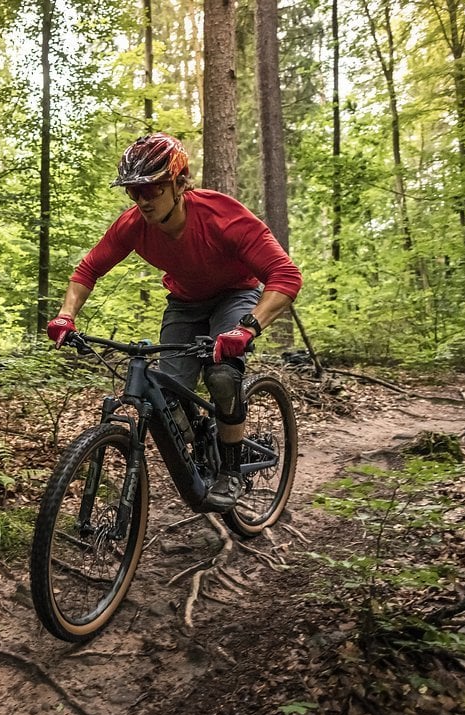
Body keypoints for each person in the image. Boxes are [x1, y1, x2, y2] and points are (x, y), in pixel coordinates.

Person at [46, 133, 302, 509]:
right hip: (184, 302)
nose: (142, 200)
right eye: (134, 191)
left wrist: (247, 328)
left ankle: (230, 471)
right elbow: (88, 270)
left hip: (236, 294)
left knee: (221, 374)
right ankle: (204, 444)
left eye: (152, 189)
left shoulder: (221, 216)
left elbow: (285, 275)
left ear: (180, 183)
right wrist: (66, 315)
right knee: (166, 399)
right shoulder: (133, 225)